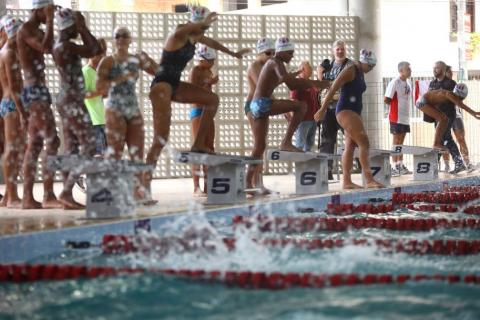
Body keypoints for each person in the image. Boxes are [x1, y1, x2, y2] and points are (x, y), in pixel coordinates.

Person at [146, 6, 249, 192]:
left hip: (175, 85)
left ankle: (198, 144)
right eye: (200, 29)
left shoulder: (195, 36)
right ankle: (144, 183)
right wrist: (202, 23)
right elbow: (185, 29)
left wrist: (234, 54)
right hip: (161, 86)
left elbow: (214, 44)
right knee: (160, 139)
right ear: (193, 24)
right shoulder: (178, 33)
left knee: (212, 100)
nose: (201, 34)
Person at [245, 37, 329, 190]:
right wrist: (314, 83)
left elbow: (283, 80)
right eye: (290, 53)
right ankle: (286, 142)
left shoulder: (275, 63)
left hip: (258, 105)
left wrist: (308, 80)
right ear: (281, 52)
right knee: (301, 106)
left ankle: (247, 183)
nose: (292, 56)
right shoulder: (274, 62)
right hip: (261, 104)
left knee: (259, 146)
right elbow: (290, 83)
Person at [96, 26, 159, 201]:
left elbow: (159, 73)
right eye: (118, 36)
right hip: (115, 108)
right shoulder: (107, 61)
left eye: (125, 36)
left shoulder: (135, 60)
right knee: (115, 152)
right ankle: (113, 193)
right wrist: (122, 78)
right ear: (114, 40)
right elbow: (99, 89)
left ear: (130, 40)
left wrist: (148, 60)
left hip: (132, 107)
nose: (121, 39)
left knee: (137, 153)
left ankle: (138, 192)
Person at [52, 8, 101, 209]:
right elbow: (94, 49)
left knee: (71, 148)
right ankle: (65, 191)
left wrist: (80, 26)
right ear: (70, 26)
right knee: (89, 144)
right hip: (72, 100)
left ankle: (67, 195)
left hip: (67, 99)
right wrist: (83, 28)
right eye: (76, 25)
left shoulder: (61, 45)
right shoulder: (66, 46)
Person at [314, 49, 384, 189]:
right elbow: (333, 88)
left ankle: (346, 181)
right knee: (364, 143)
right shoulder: (350, 70)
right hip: (345, 111)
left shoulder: (360, 72)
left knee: (350, 146)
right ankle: (369, 179)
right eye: (370, 66)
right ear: (363, 62)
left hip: (353, 112)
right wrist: (322, 109)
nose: (371, 69)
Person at [17, 0, 62, 209]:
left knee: (35, 144)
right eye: (48, 10)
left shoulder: (34, 29)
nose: (49, 14)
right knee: (52, 140)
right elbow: (46, 48)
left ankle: (28, 197)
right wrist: (52, 20)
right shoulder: (26, 29)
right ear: (39, 9)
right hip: (34, 92)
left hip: (37, 90)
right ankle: (48, 194)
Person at [0, 17, 27, 208]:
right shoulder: (9, 53)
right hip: (12, 105)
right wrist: (23, 113)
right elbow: (15, 87)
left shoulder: (6, 51)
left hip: (9, 103)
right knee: (13, 149)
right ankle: (12, 196)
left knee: (14, 149)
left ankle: (8, 196)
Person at [317, 39, 353, 179]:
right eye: (337, 49)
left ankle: (359, 168)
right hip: (328, 108)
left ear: (345, 49)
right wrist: (320, 71)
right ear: (333, 51)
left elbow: (340, 82)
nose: (340, 51)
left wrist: (328, 82)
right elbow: (322, 83)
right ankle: (327, 171)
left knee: (352, 138)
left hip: (344, 107)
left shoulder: (349, 65)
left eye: (342, 48)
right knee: (327, 140)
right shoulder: (327, 65)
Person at [245, 37, 275, 194]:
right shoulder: (255, 66)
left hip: (262, 105)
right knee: (259, 144)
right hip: (253, 106)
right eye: (269, 53)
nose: (271, 56)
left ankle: (258, 183)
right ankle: (247, 181)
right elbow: (261, 87)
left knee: (262, 144)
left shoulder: (265, 67)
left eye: (274, 53)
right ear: (260, 52)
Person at [188, 44, 218, 196]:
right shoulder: (195, 70)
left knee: (209, 146)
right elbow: (191, 90)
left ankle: (208, 184)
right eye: (211, 60)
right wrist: (208, 83)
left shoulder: (208, 71)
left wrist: (209, 84)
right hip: (198, 110)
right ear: (203, 59)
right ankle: (196, 187)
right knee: (198, 147)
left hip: (208, 111)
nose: (213, 63)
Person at [415, 83, 480, 150]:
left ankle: (437, 143)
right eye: (461, 99)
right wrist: (474, 113)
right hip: (422, 102)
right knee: (442, 119)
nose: (460, 100)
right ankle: (436, 144)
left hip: (424, 101)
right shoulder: (450, 94)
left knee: (444, 119)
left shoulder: (449, 94)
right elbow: (460, 105)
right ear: (460, 96)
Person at [428, 61, 466, 174]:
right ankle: (435, 164)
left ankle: (458, 162)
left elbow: (458, 99)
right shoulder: (432, 84)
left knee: (445, 136)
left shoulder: (451, 83)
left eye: (437, 68)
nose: (435, 70)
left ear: (444, 70)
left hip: (448, 115)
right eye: (434, 68)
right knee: (439, 138)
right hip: (437, 116)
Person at [442, 65, 473, 172]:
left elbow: (460, 101)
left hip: (456, 115)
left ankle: (468, 163)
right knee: (445, 141)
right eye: (449, 72)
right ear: (443, 73)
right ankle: (447, 165)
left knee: (461, 138)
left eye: (451, 72)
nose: (451, 74)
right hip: (443, 117)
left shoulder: (455, 85)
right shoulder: (437, 84)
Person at [384, 61, 412, 176]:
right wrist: (390, 110)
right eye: (408, 69)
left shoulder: (408, 84)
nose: (410, 71)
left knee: (401, 142)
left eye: (410, 69)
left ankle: (400, 164)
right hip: (396, 117)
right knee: (396, 142)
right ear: (401, 71)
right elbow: (386, 99)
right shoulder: (395, 82)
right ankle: (394, 166)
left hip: (405, 117)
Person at [83, 38, 107, 157]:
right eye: (99, 56)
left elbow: (103, 94)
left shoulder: (98, 72)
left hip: (102, 119)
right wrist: (100, 92)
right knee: (98, 155)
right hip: (93, 121)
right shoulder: (86, 72)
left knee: (105, 154)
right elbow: (83, 94)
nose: (101, 59)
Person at [290, 61, 320, 152]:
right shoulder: (297, 84)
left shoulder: (310, 84)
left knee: (309, 144)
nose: (311, 69)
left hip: (313, 119)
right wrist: (294, 120)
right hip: (303, 120)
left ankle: (307, 164)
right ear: (302, 69)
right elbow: (293, 101)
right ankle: (299, 164)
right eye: (309, 67)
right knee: (300, 144)